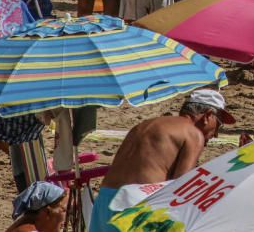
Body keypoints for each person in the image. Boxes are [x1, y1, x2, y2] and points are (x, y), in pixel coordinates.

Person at [90, 89, 235, 232]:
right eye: (219, 124)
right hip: (136, 203)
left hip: (104, 199)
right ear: (208, 116)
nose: (216, 134)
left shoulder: (145, 125)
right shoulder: (193, 133)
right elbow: (181, 188)